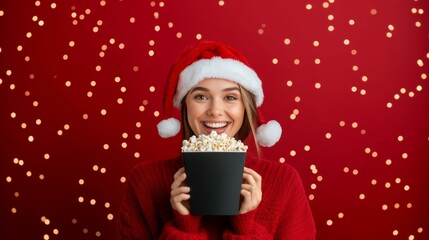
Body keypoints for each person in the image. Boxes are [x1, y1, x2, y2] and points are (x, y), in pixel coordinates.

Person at [116, 41, 316, 239]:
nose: (215, 111)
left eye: (230, 98)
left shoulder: (284, 182)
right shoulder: (145, 181)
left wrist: (244, 227)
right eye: (201, 97)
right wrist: (185, 227)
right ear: (185, 106)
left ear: (246, 108)